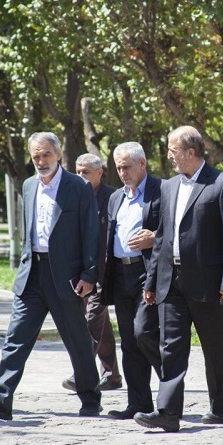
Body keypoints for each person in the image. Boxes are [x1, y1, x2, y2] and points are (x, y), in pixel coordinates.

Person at [0, 132, 102, 420]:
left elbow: (91, 232)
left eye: (46, 155)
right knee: (15, 338)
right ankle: (0, 399)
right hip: (31, 275)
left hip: (65, 277)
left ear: (58, 154)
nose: (41, 161)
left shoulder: (78, 186)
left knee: (78, 340)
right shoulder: (29, 185)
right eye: (36, 156)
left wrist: (89, 274)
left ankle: (90, 398)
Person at [136, 125, 223, 432]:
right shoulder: (169, 186)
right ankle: (168, 412)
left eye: (173, 151)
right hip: (171, 281)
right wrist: (151, 282)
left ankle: (220, 407)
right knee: (170, 347)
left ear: (190, 152)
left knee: (215, 347)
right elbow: (162, 237)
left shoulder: (221, 184)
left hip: (209, 284)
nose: (169, 156)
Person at [100, 142, 163, 420]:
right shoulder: (116, 197)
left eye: (126, 167)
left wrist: (155, 237)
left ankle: (171, 389)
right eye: (118, 168)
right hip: (120, 274)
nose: (122, 172)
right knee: (128, 341)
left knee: (144, 333)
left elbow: (177, 228)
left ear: (142, 164)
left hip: (147, 272)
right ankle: (138, 403)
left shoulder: (161, 191)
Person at [64, 153, 122, 392]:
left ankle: (82, 372)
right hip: (82, 271)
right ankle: (112, 375)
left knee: (92, 319)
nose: (80, 176)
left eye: (85, 172)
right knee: (100, 323)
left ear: (100, 173)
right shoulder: (72, 196)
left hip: (105, 271)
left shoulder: (113, 197)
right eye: (77, 171)